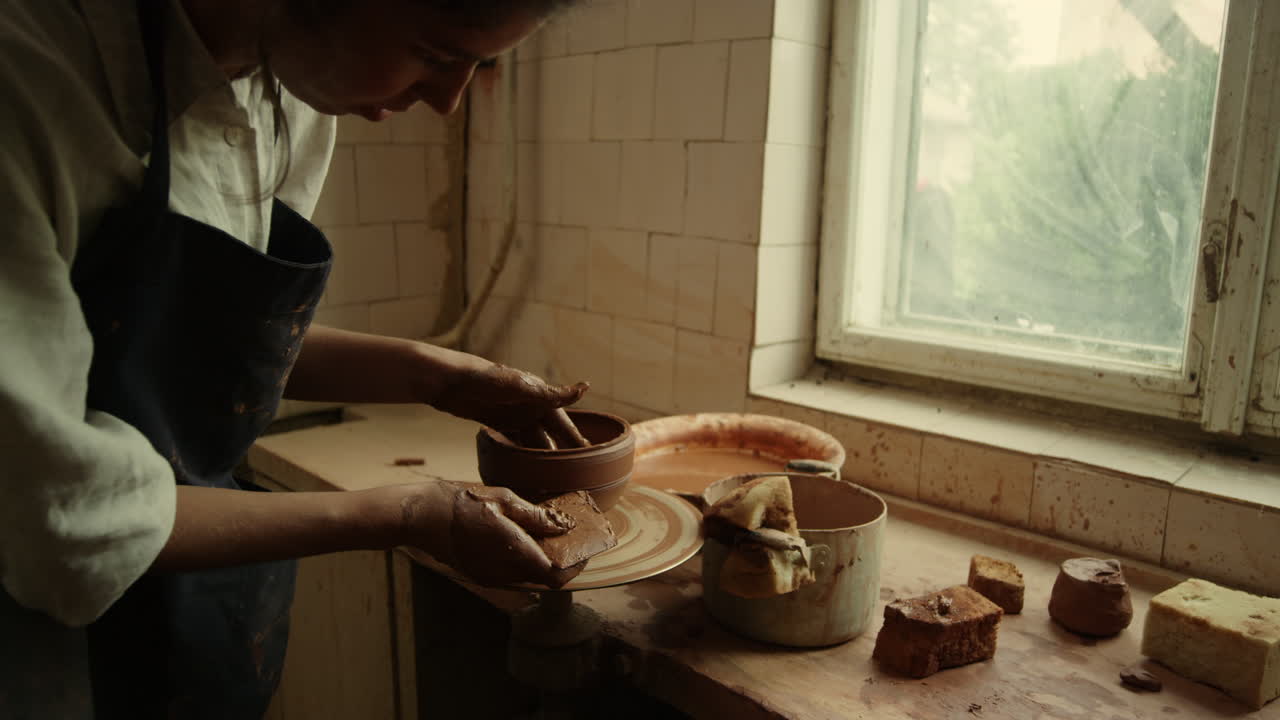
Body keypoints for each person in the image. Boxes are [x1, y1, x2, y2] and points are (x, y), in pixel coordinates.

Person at [0, 0, 580, 717]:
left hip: (184, 578)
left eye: (480, 65)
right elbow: (61, 518)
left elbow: (207, 343)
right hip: (37, 622)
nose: (449, 100)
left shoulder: (292, 93)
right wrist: (404, 513)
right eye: (435, 53)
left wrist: (440, 375)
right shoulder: (29, 79)